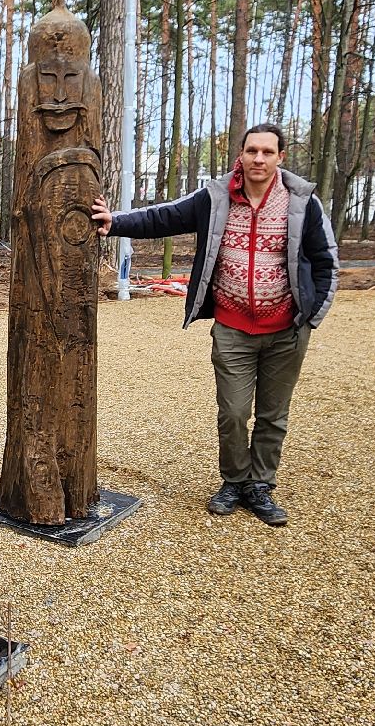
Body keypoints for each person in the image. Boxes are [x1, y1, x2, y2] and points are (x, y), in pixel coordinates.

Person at [90, 122, 336, 526]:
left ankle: (260, 485)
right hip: (233, 327)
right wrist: (115, 222)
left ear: (280, 157)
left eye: (267, 152)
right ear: (241, 154)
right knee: (234, 412)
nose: (259, 159)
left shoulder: (301, 202)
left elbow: (326, 260)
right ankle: (234, 482)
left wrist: (312, 316)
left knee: (273, 414)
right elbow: (165, 217)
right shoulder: (217, 196)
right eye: (252, 151)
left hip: (287, 329)